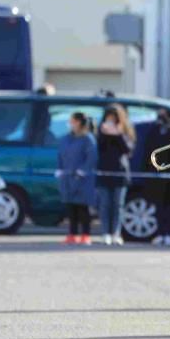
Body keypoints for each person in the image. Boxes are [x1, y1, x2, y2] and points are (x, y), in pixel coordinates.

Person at [143, 109, 170, 245]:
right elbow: (147, 151)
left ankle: (169, 233)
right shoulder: (153, 132)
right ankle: (160, 233)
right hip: (157, 177)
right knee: (158, 207)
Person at [96, 104, 135, 245]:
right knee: (105, 204)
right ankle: (105, 232)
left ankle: (116, 233)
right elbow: (99, 148)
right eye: (108, 117)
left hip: (120, 172)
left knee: (118, 205)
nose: (111, 120)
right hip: (104, 171)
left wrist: (118, 135)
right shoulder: (101, 131)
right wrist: (104, 133)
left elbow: (128, 150)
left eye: (114, 117)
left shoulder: (125, 131)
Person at [57, 111, 98, 245]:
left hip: (83, 179)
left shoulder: (87, 139)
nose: (70, 124)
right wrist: (60, 169)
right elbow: (61, 155)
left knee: (83, 208)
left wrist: (84, 170)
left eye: (72, 121)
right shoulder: (66, 139)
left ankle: (85, 234)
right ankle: (72, 234)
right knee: (71, 207)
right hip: (68, 177)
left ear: (79, 122)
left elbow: (92, 157)